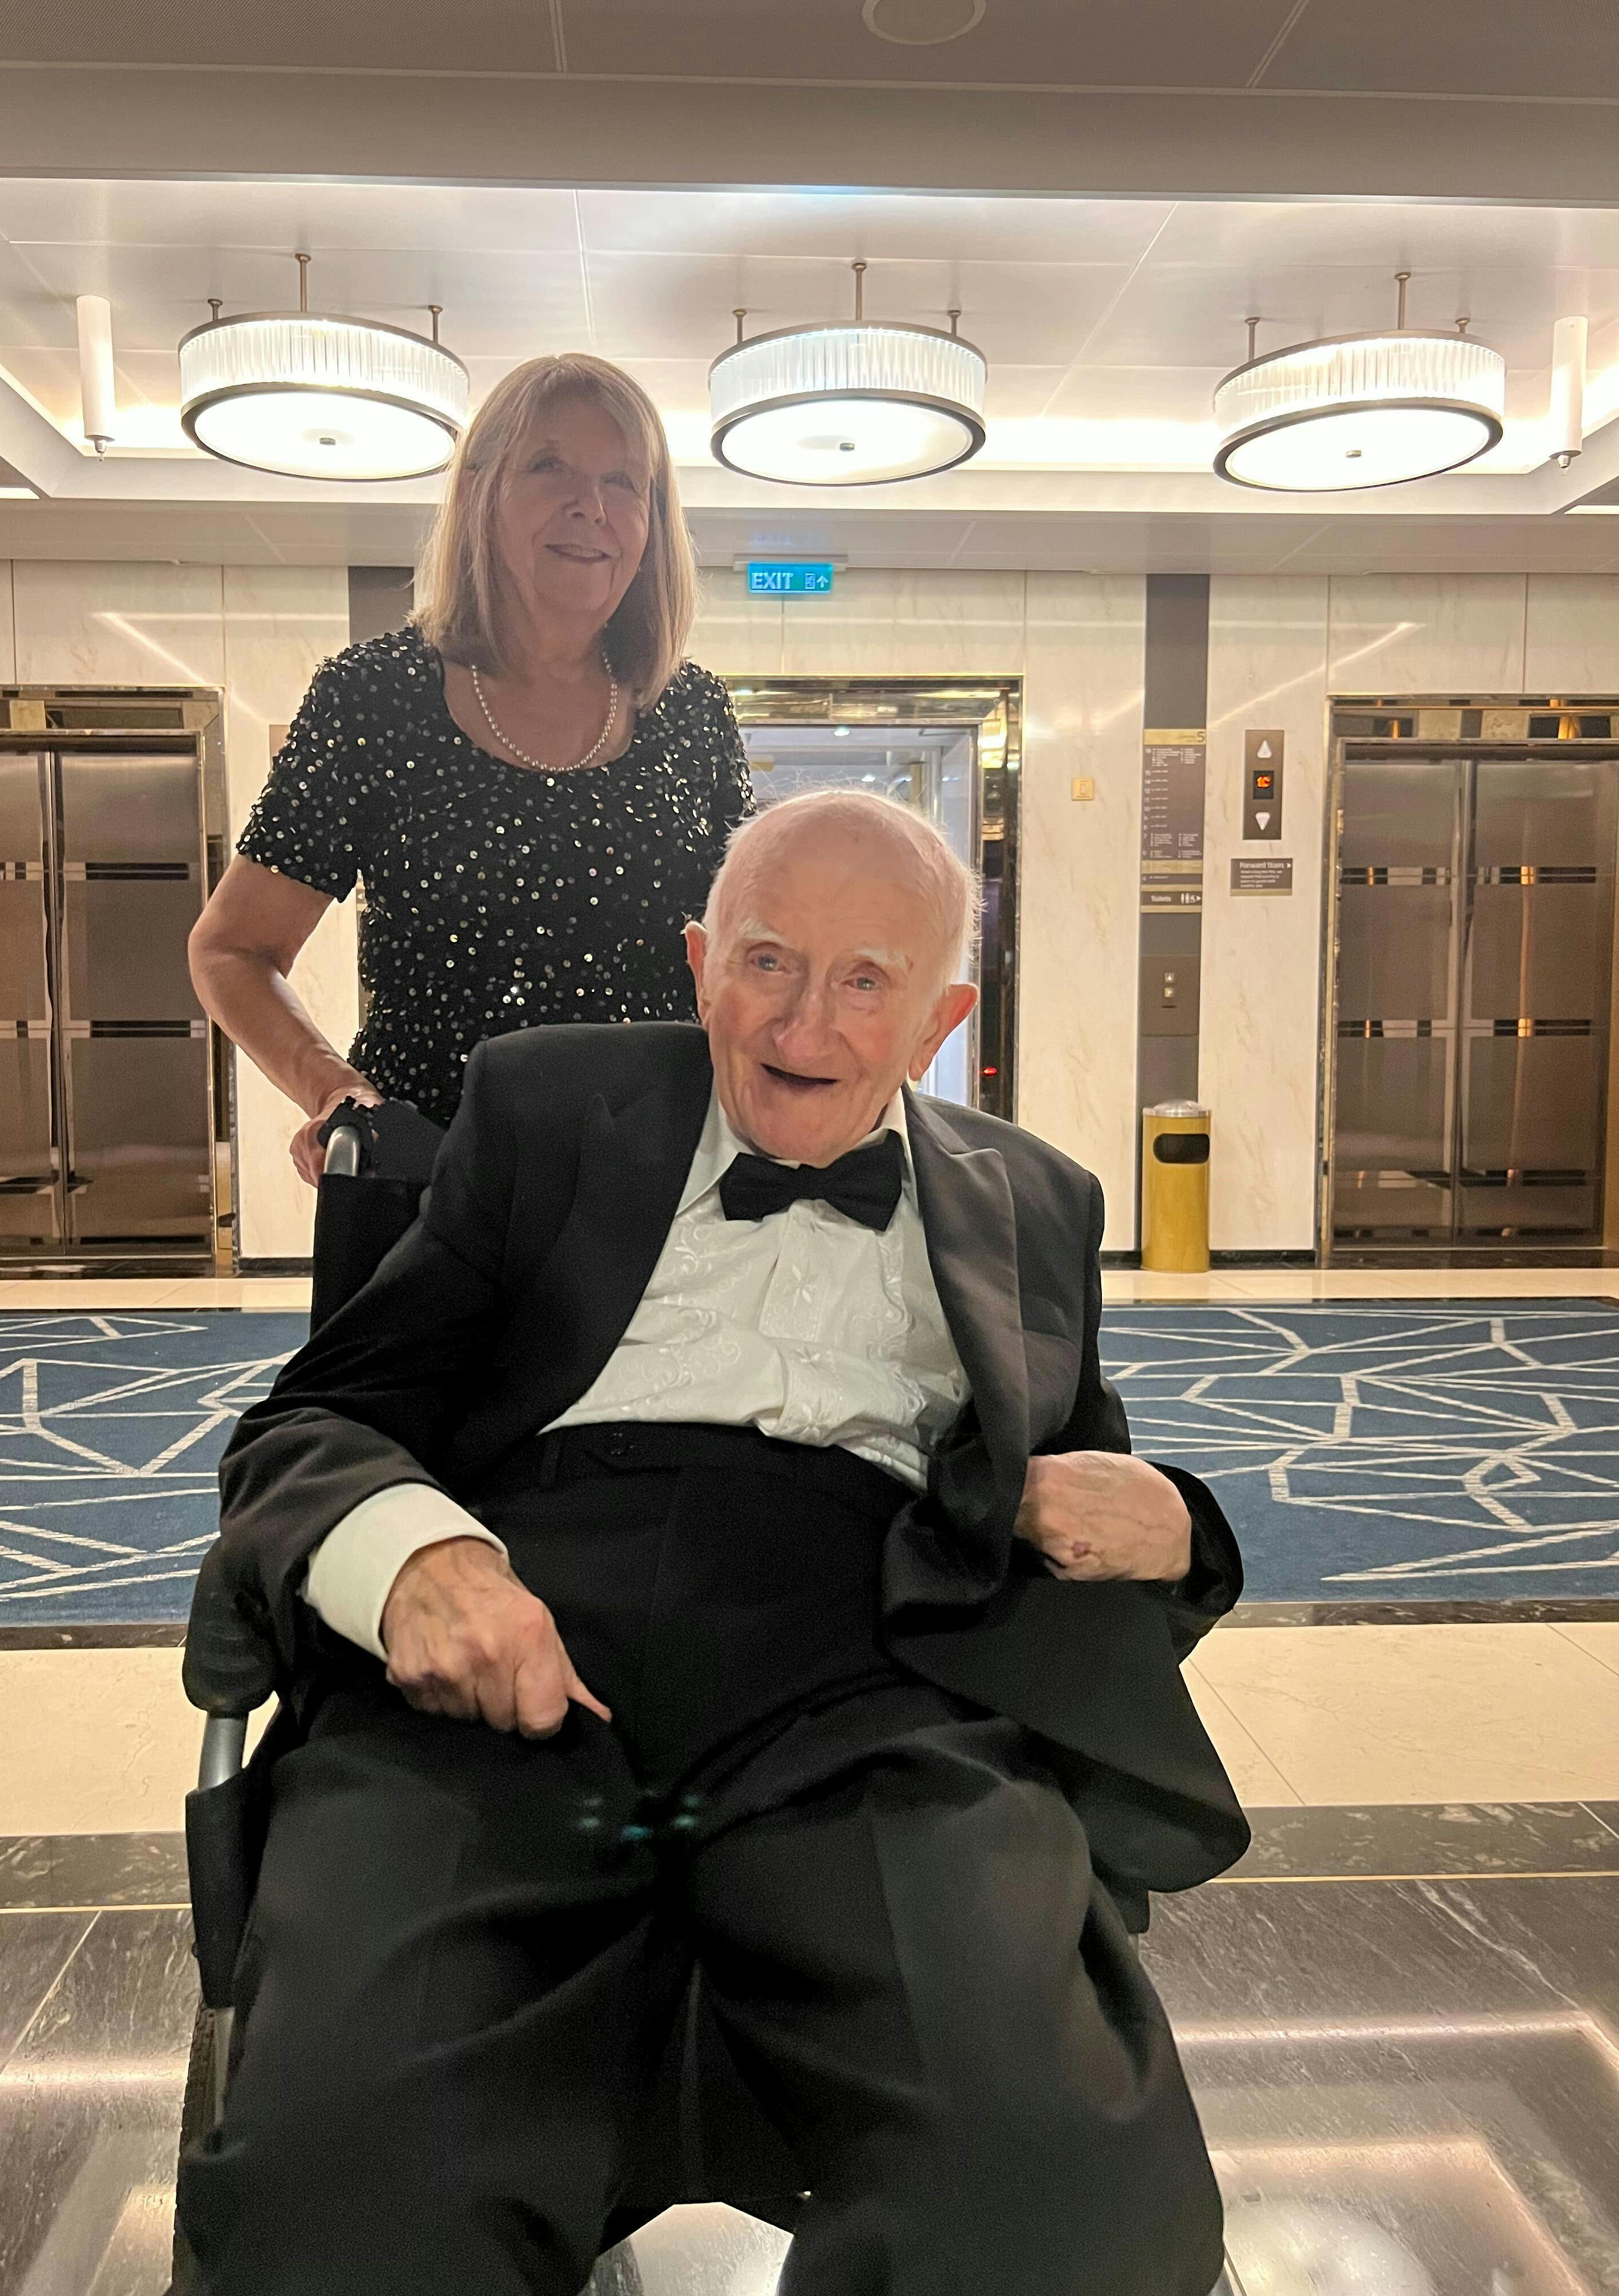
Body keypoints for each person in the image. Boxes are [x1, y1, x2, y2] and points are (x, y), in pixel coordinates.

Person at [178, 789, 1247, 2296]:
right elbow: (316, 1418)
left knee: (1053, 2204)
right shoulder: (545, 1107)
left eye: (865, 981)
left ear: (938, 1020)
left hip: (872, 1686)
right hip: (504, 1662)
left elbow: (1088, 1506)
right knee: (345, 2202)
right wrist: (416, 1559)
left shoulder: (1036, 1204)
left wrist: (1184, 1528)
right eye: (766, 962)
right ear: (699, 965)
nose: (804, 1023)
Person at [187, 353, 752, 1183]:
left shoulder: (693, 711)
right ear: (482, 494)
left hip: (659, 1190)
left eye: (624, 481)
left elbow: (751, 957)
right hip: (434, 1187)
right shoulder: (374, 697)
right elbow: (232, 950)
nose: (591, 506)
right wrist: (334, 1090)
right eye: (550, 466)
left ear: (653, 522)